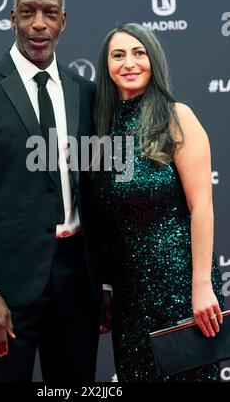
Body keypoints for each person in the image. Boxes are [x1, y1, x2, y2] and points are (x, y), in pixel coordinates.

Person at [0, 0, 102, 382]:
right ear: (12, 17)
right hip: (7, 288)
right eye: (28, 12)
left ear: (63, 22)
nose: (38, 23)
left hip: (76, 282)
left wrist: (104, 283)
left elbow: (95, 193)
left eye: (50, 13)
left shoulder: (84, 92)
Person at [91, 23, 224, 381]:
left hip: (181, 286)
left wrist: (201, 285)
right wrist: (105, 288)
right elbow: (102, 223)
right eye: (118, 55)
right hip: (129, 297)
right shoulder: (101, 129)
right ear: (106, 67)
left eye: (139, 52)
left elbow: (202, 207)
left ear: (154, 60)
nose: (129, 63)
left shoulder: (177, 117)